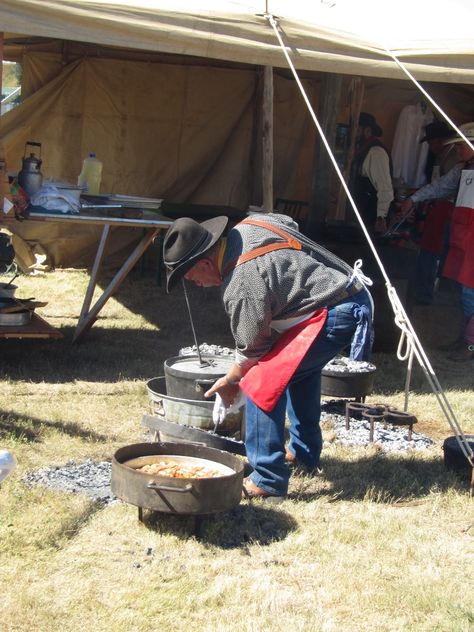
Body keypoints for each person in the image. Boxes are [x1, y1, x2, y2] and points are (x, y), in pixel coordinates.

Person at [163, 212, 374, 500]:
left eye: (192, 277)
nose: (196, 284)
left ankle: (267, 478)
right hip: (343, 298)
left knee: (263, 383)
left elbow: (253, 351)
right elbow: (289, 222)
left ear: (204, 262)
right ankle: (304, 453)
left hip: (336, 311)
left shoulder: (240, 283)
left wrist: (232, 380)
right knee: (301, 374)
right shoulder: (251, 224)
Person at [399, 122, 474, 361]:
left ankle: (470, 344)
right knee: (466, 291)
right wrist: (416, 198)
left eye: (463, 146)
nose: (459, 150)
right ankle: (467, 340)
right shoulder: (463, 169)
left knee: (471, 291)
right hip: (465, 237)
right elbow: (441, 187)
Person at [413, 121, 459, 304]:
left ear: (441, 141)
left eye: (432, 143)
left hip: (447, 210)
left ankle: (428, 294)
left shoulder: (455, 160)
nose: (431, 147)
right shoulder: (442, 158)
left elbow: (444, 187)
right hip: (438, 208)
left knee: (434, 254)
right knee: (430, 251)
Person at [350, 112, 394, 235]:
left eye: (357, 130)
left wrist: (381, 216)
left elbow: (385, 187)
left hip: (370, 216)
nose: (354, 134)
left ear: (367, 131)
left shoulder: (376, 152)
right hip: (360, 213)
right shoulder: (362, 150)